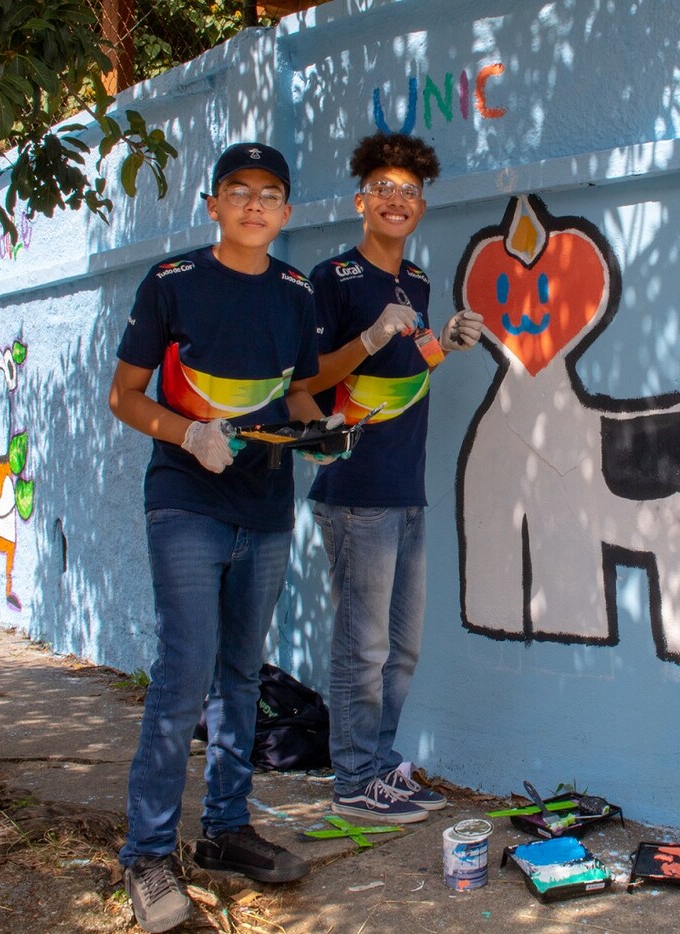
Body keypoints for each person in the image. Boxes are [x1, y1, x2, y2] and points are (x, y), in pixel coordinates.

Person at [109, 142, 330, 934]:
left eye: (270, 193)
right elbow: (124, 395)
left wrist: (323, 430)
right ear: (213, 204)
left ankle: (226, 831)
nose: (254, 204)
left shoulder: (296, 293)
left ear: (286, 211)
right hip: (185, 504)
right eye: (238, 190)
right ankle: (147, 854)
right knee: (184, 676)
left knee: (240, 677)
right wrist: (187, 433)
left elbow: (297, 393)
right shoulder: (172, 283)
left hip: (265, 508)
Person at [303, 132, 483, 824]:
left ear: (421, 207)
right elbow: (308, 379)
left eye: (409, 191)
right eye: (383, 188)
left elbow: (407, 370)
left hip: (407, 487)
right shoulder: (332, 278)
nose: (396, 200)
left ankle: (378, 768)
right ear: (361, 201)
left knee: (401, 649)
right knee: (363, 646)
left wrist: (446, 343)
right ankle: (352, 781)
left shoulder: (418, 282)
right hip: (355, 491)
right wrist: (372, 336)